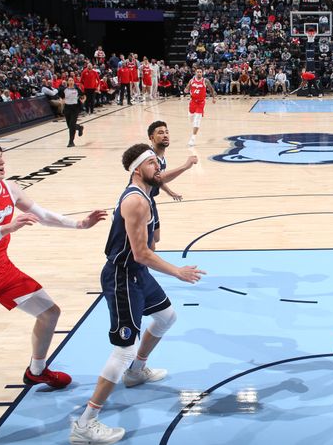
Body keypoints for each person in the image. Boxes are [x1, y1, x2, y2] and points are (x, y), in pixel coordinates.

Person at [0, 140, 106, 445]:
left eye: (2, 156)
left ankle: (36, 371)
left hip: (2, 269)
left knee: (49, 312)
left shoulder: (11, 189)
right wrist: (6, 229)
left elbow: (42, 214)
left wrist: (79, 224)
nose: (2, 161)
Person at [69, 144, 205, 444]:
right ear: (137, 169)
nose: (159, 168)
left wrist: (181, 167)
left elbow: (145, 246)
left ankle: (136, 372)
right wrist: (177, 271)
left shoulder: (147, 190)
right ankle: (84, 424)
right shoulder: (136, 201)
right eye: (153, 163)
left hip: (137, 273)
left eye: (158, 163)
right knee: (123, 349)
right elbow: (141, 253)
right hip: (122, 277)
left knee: (166, 316)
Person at [146, 121, 199, 246]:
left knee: (155, 238)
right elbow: (157, 178)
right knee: (147, 244)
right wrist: (185, 167)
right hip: (140, 202)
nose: (165, 135)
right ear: (151, 138)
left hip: (150, 200)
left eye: (166, 132)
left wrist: (170, 192)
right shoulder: (148, 156)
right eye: (160, 133)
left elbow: (159, 180)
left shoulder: (161, 159)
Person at [184, 68, 215, 147]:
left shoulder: (205, 81)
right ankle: (194, 127)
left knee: (197, 120)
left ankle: (193, 138)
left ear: (202, 73)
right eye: (198, 72)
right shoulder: (191, 80)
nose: (199, 73)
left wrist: (213, 98)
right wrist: (186, 90)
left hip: (201, 103)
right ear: (195, 73)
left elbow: (211, 89)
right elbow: (187, 88)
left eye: (200, 72)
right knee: (191, 118)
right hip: (192, 102)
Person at [63, 77, 84, 148]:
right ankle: (79, 127)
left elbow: (83, 96)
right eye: (69, 80)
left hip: (75, 108)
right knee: (69, 126)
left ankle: (71, 142)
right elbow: (61, 97)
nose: (71, 81)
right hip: (67, 108)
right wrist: (61, 100)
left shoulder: (77, 89)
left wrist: (82, 101)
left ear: (73, 82)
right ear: (68, 82)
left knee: (72, 125)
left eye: (72, 80)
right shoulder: (64, 90)